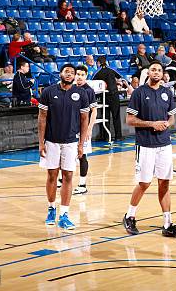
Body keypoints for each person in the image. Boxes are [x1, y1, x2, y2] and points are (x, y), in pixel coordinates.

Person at [122, 60, 176, 238]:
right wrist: (152, 124)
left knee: (164, 183)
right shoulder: (139, 93)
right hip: (145, 145)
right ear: (148, 73)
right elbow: (129, 120)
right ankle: (129, 216)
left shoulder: (167, 93)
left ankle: (168, 224)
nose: (156, 72)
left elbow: (172, 119)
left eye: (159, 70)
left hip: (165, 144)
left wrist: (166, 124)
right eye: (153, 70)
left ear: (162, 73)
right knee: (144, 183)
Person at [38, 64, 90, 230]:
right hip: (51, 141)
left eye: (72, 73)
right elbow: (42, 118)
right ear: (60, 73)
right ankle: (51, 209)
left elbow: (84, 120)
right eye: (66, 71)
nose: (69, 74)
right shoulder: (48, 92)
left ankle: (65, 215)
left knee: (68, 176)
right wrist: (41, 142)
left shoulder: (81, 94)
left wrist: (81, 144)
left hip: (71, 142)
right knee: (52, 176)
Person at [73, 65, 98, 194]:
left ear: (86, 76)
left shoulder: (89, 91)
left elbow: (94, 111)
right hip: (70, 128)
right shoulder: (71, 89)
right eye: (78, 74)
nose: (79, 77)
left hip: (82, 129)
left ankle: (83, 185)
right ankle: (61, 180)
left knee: (82, 156)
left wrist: (89, 129)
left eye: (82, 75)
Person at [93, 56, 123, 141]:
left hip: (104, 96)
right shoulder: (112, 69)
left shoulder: (97, 72)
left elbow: (92, 83)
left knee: (105, 117)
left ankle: (106, 137)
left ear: (98, 63)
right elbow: (120, 77)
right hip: (114, 95)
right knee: (116, 116)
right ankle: (118, 136)